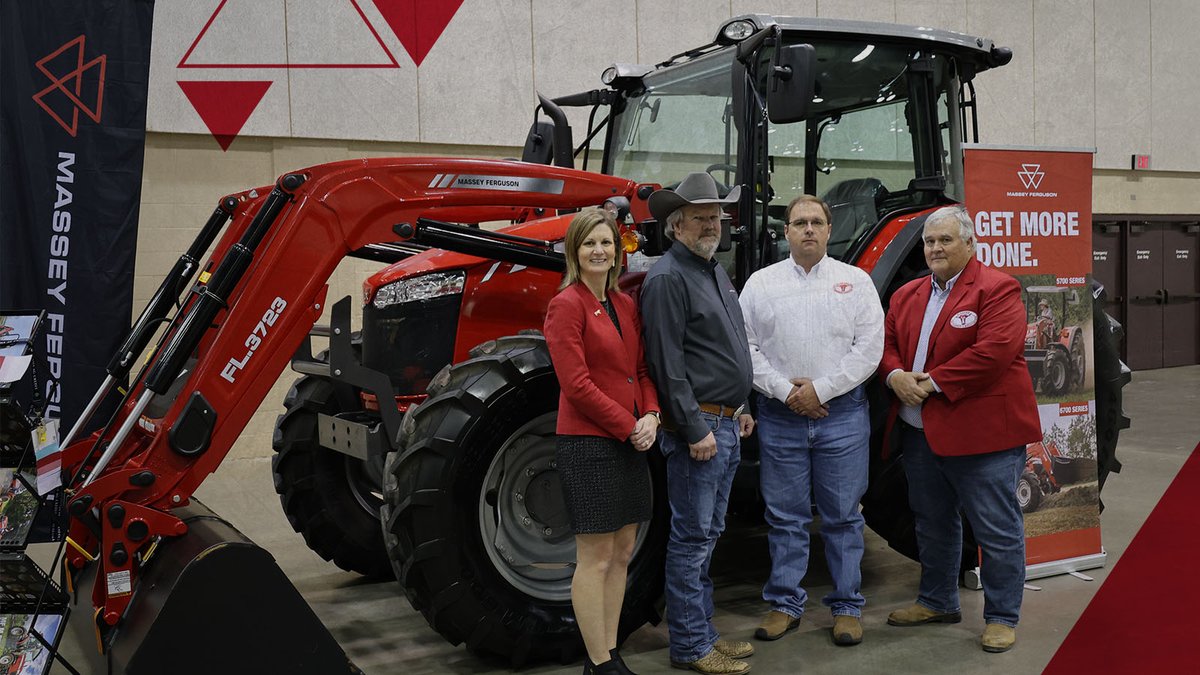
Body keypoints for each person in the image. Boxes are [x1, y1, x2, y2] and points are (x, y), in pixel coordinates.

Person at [879, 205, 1040, 654]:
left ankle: (1002, 616)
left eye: (945, 240)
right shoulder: (906, 294)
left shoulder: (998, 288)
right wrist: (894, 376)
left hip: (983, 437)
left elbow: (994, 353)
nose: (935, 248)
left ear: (970, 244)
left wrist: (929, 382)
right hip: (920, 434)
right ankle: (937, 600)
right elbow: (886, 345)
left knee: (996, 527)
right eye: (930, 241)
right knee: (932, 522)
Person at [738, 195, 884, 647]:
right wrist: (788, 393)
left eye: (816, 222)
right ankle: (784, 604)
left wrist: (819, 391)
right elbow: (746, 349)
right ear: (785, 231)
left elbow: (869, 349)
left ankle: (846, 607)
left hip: (841, 415)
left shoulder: (855, 281)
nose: (808, 230)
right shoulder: (760, 285)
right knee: (785, 517)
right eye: (799, 222)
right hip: (780, 416)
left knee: (843, 517)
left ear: (828, 228)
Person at [640, 172, 756, 675]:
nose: (712, 225)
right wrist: (693, 429)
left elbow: (727, 348)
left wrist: (743, 406)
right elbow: (667, 365)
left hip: (726, 423)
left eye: (716, 216)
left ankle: (703, 632)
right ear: (676, 225)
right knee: (691, 541)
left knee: (708, 536)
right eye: (701, 218)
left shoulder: (713, 271)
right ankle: (689, 645)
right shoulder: (668, 278)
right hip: (702, 430)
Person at [543, 209, 662, 675]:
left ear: (618, 250)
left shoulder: (622, 304)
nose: (599, 251)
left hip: (630, 439)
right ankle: (598, 661)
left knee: (623, 550)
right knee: (593, 557)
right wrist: (629, 425)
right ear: (575, 251)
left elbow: (640, 371)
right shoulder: (566, 305)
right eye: (590, 243)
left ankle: (609, 653)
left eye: (607, 243)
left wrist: (651, 413)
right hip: (590, 444)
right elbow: (576, 385)